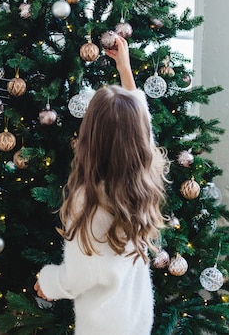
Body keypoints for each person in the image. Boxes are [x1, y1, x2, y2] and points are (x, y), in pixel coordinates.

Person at [34, 35, 168, 335]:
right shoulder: (143, 178)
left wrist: (48, 283)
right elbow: (141, 128)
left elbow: (78, 276)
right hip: (136, 316)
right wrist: (125, 69)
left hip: (103, 325)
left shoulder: (90, 200)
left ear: (90, 137)